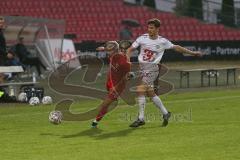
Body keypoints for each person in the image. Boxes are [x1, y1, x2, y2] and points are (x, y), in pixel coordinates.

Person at [126, 18, 202, 127]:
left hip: (152, 68)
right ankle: (166, 113)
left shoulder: (163, 41)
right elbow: (129, 50)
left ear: (157, 29)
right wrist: (128, 64)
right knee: (150, 92)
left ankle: (141, 118)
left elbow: (177, 48)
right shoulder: (142, 38)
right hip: (143, 68)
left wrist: (193, 53)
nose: (149, 29)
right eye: (148, 27)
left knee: (140, 89)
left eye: (152, 28)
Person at [91, 41, 131, 128]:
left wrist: (129, 75)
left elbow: (127, 76)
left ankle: (95, 122)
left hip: (117, 86)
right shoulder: (113, 55)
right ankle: (113, 101)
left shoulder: (124, 62)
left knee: (105, 104)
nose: (108, 52)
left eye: (109, 50)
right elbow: (110, 49)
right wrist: (103, 48)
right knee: (109, 103)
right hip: (109, 81)